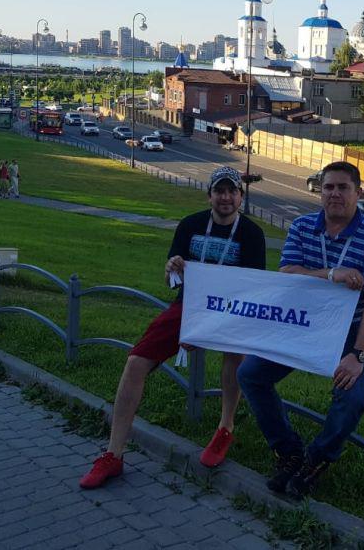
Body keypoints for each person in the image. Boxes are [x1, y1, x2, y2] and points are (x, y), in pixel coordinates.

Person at [80, 166, 267, 489]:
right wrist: (171, 269)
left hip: (229, 311)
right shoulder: (191, 225)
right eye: (219, 191)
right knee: (135, 362)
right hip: (189, 305)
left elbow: (253, 287)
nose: (225, 197)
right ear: (209, 195)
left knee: (235, 355)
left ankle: (225, 427)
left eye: (231, 191)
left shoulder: (251, 233)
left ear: (240, 196)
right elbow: (170, 279)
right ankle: (114, 452)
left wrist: (209, 328)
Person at [238, 161, 364, 499]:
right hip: (302, 322)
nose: (335, 194)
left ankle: (316, 460)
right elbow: (288, 275)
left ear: (358, 192)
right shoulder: (303, 226)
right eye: (328, 187)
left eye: (343, 187)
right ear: (319, 192)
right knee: (250, 374)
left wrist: (359, 355)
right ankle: (288, 451)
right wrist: (331, 273)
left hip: (350, 330)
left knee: (351, 399)